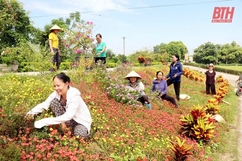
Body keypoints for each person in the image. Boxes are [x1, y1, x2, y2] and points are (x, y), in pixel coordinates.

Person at [26, 72, 92, 138]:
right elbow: (45, 104)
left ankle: (73, 130)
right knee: (54, 102)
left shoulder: (74, 95)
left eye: (58, 85)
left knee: (79, 134)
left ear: (67, 83)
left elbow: (69, 115)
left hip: (79, 121)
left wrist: (45, 121)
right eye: (54, 86)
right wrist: (30, 113)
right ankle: (64, 127)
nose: (56, 88)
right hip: (68, 121)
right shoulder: (56, 94)